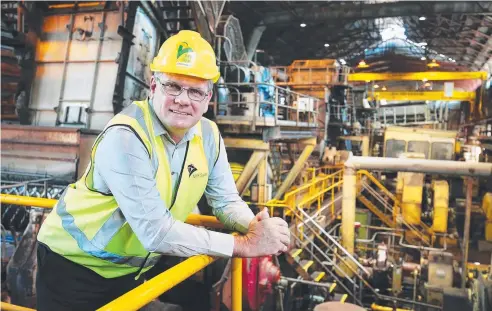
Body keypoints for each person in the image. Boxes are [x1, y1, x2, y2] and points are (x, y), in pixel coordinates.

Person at [36, 30, 290, 311]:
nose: (183, 99)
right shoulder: (127, 136)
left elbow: (225, 200)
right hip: (72, 267)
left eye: (195, 91)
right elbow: (155, 232)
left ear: (208, 98)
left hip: (129, 272)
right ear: (154, 86)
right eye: (173, 86)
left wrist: (253, 225)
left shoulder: (208, 134)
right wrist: (243, 245)